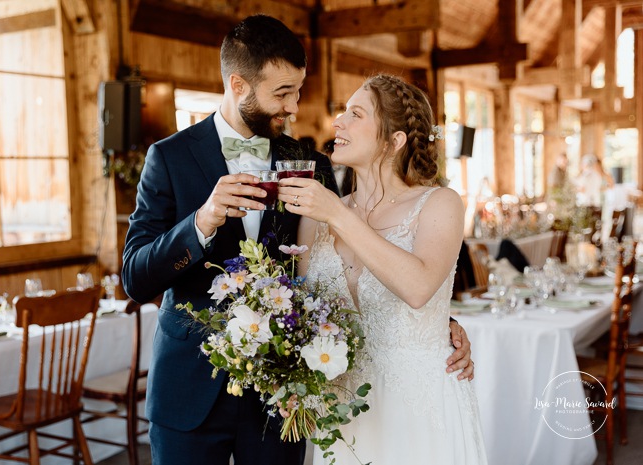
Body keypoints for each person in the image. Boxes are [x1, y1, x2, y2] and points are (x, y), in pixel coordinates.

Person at [122, 15, 474, 465]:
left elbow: (353, 269)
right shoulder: (168, 157)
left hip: (287, 397)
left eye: (298, 91)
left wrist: (440, 325)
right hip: (190, 388)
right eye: (282, 94)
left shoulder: (310, 164)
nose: (293, 108)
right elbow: (135, 277)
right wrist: (202, 221)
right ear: (238, 85)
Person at [279, 74, 486, 464]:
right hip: (342, 414)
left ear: (394, 141)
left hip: (419, 409)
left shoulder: (440, 203)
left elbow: (419, 287)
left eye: (355, 114)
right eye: (343, 111)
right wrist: (289, 375)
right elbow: (301, 316)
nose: (338, 122)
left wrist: (337, 215)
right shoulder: (317, 217)